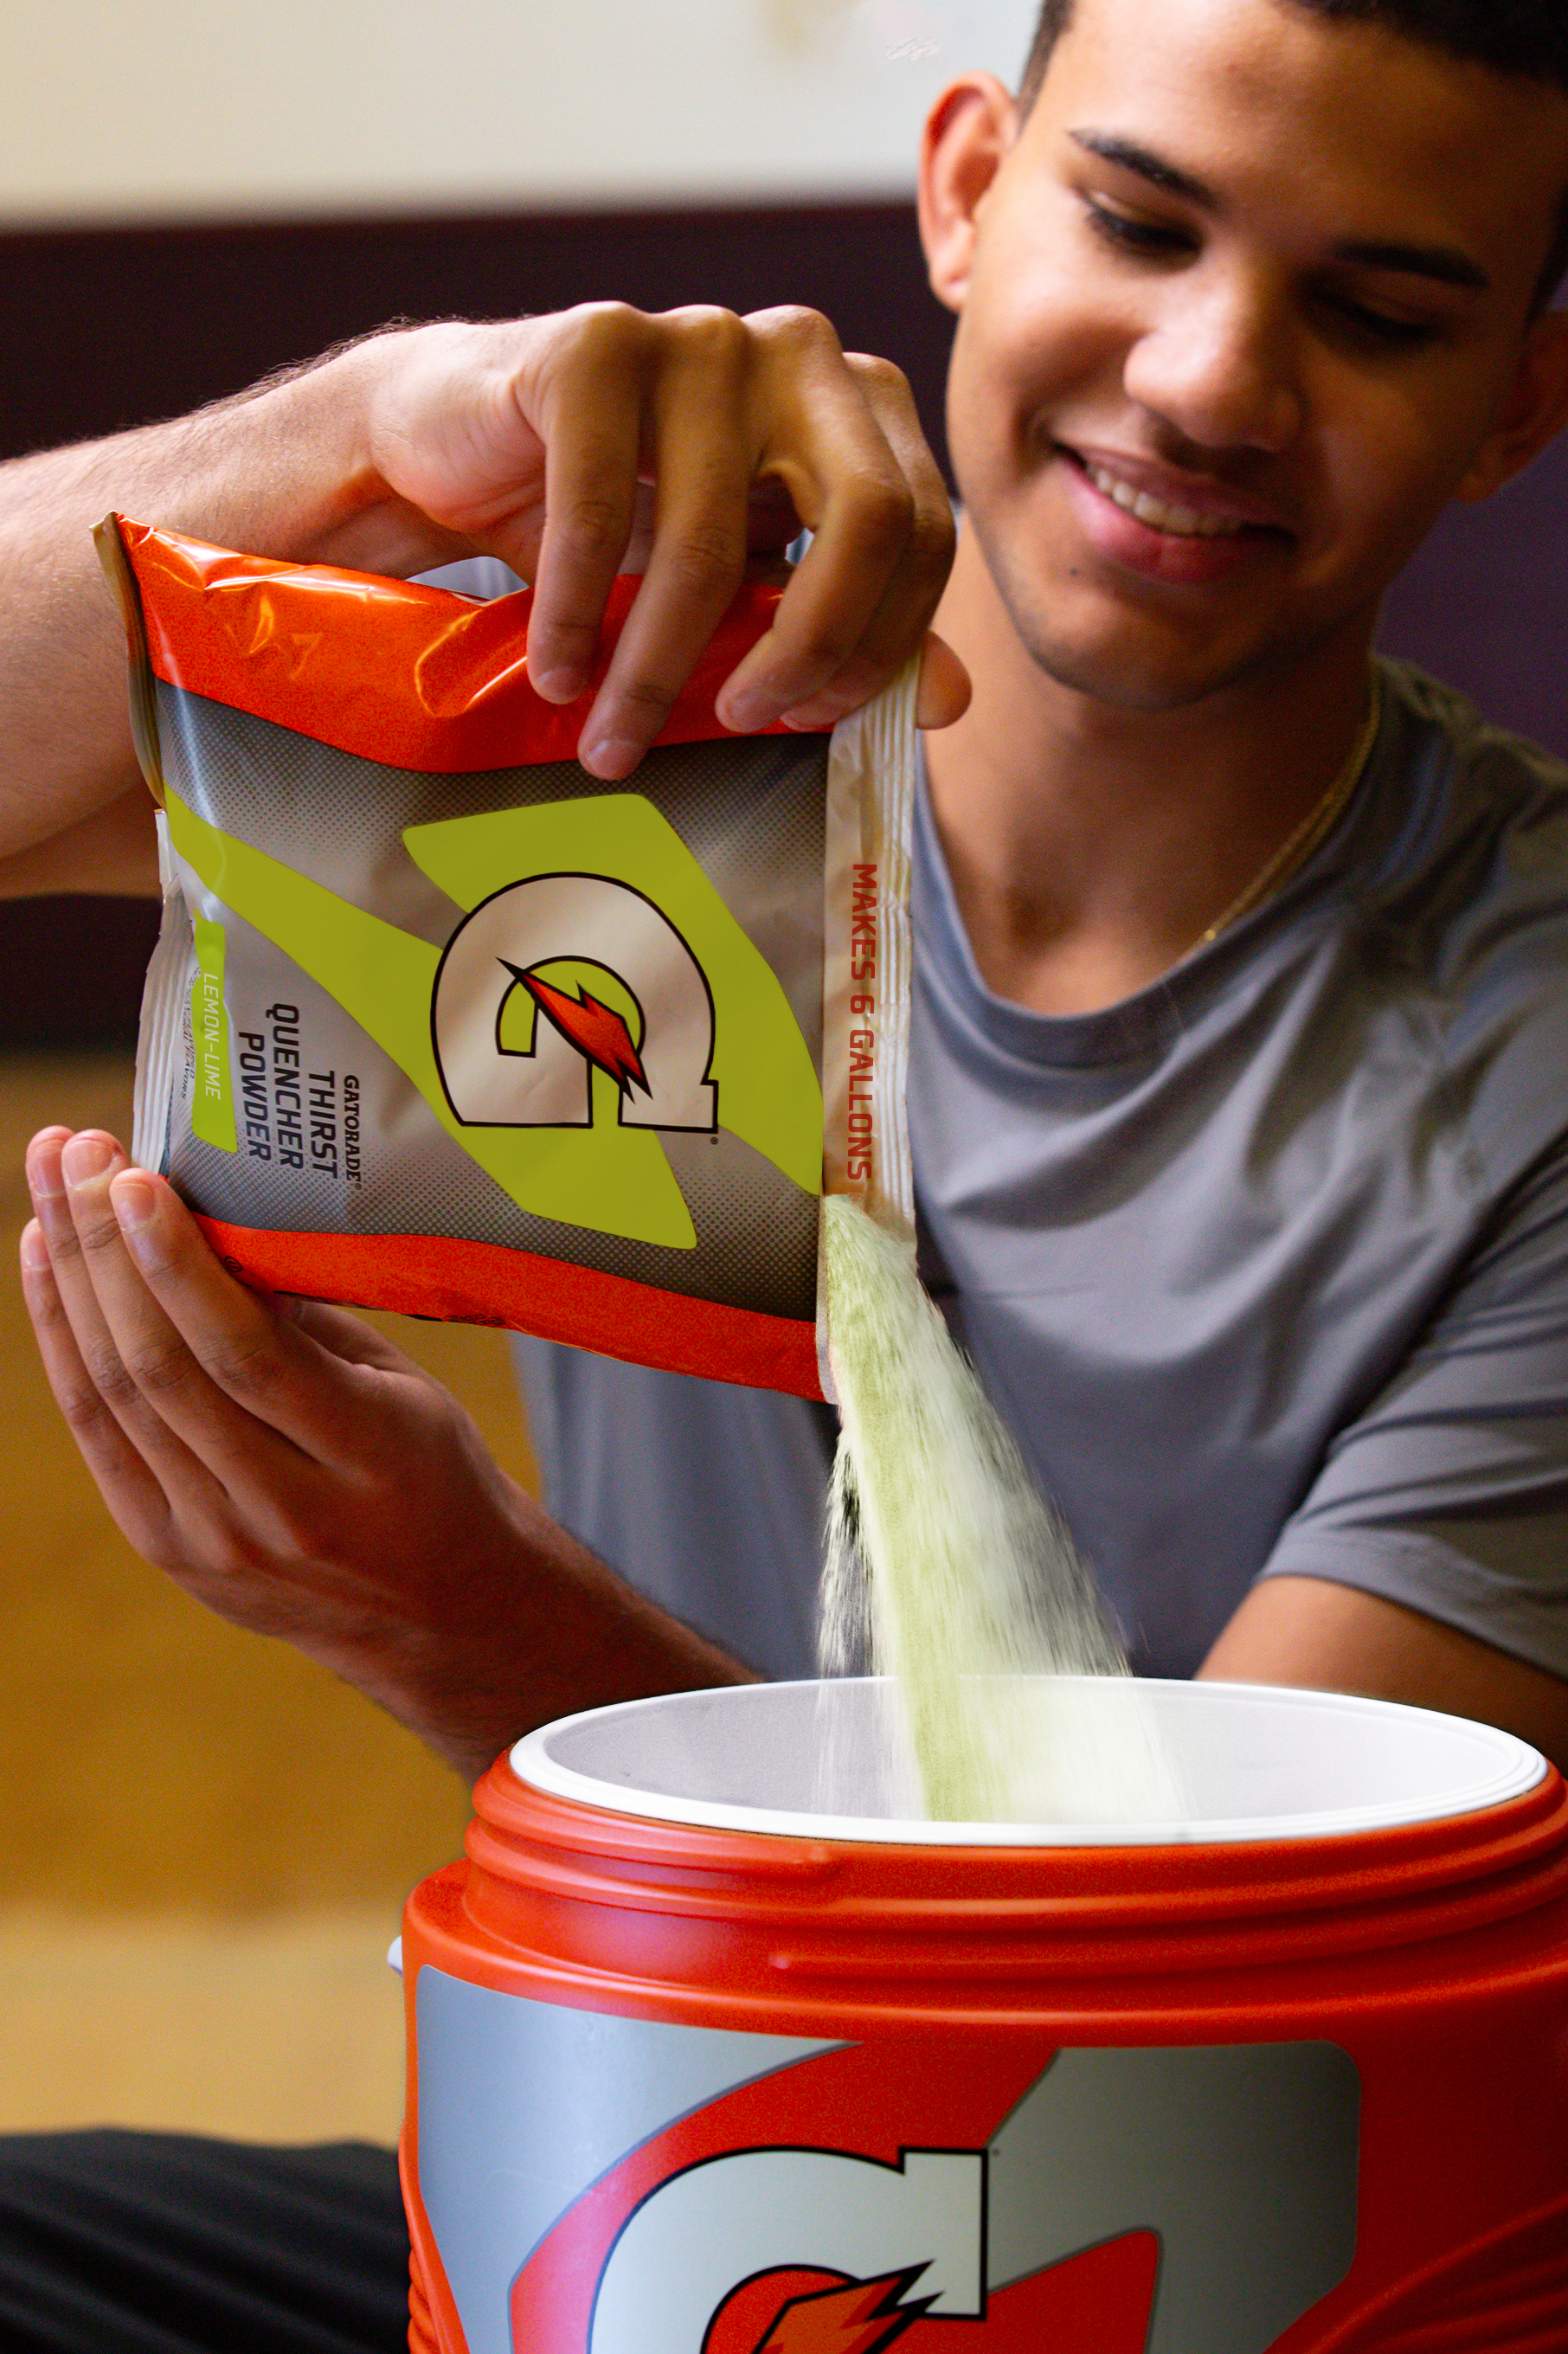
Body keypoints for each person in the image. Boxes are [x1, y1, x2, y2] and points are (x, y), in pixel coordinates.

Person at [6, 0, 1568, 2343]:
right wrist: (357, 434)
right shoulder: (648, 738)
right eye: (1140, 224)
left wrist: (459, 1620)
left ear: (1517, 406)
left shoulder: (1528, 1071)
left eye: (1377, 312)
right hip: (653, 2170)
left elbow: (1173, 2047)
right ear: (967, 190)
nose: (1208, 381)